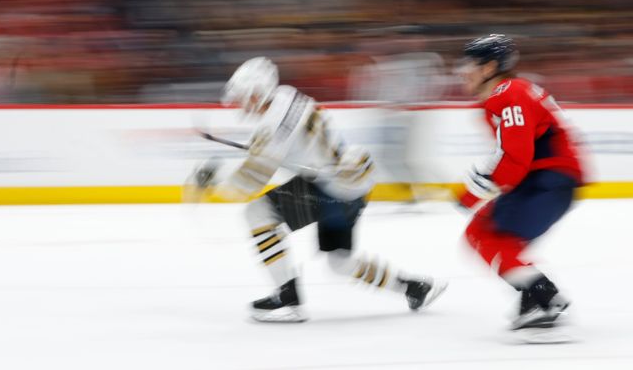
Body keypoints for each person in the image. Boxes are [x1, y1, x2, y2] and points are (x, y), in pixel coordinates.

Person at [185, 57, 447, 322]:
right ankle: (414, 287)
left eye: (244, 96)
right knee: (340, 262)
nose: (241, 103)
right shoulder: (286, 96)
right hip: (349, 182)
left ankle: (288, 298)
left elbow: (246, 184)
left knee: (257, 213)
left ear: (258, 91)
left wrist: (211, 181)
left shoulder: (273, 125)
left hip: (332, 189)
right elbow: (284, 145)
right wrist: (264, 150)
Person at [456, 35, 583, 340]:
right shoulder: (509, 93)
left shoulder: (509, 93)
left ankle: (544, 298)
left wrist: (472, 193)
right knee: (483, 233)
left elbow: (514, 155)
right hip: (545, 180)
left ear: (488, 67)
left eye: (469, 64)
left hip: (548, 181)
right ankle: (535, 296)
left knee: (486, 235)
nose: (462, 71)